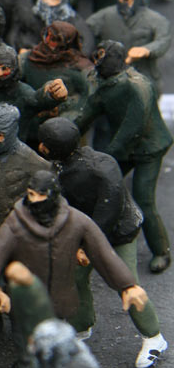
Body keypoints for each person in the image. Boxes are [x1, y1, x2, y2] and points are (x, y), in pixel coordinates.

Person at [0, 171, 153, 368]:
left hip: (60, 298)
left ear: (53, 195)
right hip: (24, 302)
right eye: (31, 194)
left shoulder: (76, 221)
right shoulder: (15, 223)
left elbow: (103, 253)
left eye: (41, 195)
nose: (35, 201)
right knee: (27, 351)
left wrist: (127, 285)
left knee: (56, 348)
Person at [39, 117, 167, 368]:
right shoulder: (57, 167)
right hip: (85, 232)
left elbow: (110, 209)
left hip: (120, 232)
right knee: (74, 278)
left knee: (126, 283)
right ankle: (81, 325)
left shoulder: (101, 167)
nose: (40, 147)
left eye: (45, 143)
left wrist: (86, 245)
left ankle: (154, 337)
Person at [74, 40, 173, 273]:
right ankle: (101, 237)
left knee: (144, 198)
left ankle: (161, 251)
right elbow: (88, 112)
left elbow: (133, 126)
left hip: (149, 148)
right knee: (101, 187)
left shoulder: (137, 85)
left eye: (102, 57)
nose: (97, 62)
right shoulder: (105, 83)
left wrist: (108, 156)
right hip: (126, 147)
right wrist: (63, 134)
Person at [86, 0, 172, 88]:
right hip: (111, 78)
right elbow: (85, 33)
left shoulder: (155, 19)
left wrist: (147, 49)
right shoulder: (104, 16)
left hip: (145, 76)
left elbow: (163, 40)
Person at [30, 0, 94, 51]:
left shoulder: (75, 24)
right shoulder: (32, 17)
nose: (48, 2)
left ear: (64, 1)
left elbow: (85, 48)